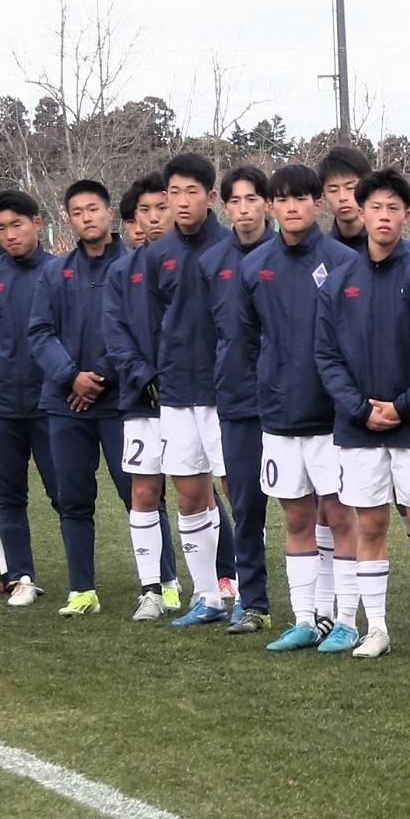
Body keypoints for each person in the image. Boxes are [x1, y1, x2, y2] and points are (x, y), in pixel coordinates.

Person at [220, 162, 362, 653]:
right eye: (282, 199)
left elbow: (354, 339)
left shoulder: (344, 261)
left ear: (316, 204)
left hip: (332, 419)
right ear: (272, 206)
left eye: (302, 198)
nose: (292, 207)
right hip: (279, 417)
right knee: (297, 520)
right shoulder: (253, 267)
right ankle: (306, 618)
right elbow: (246, 339)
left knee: (341, 519)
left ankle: (346, 619)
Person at [30, 177, 170, 616]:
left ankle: (164, 582)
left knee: (142, 494)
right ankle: (82, 589)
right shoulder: (54, 272)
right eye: (77, 211)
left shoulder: (135, 265)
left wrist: (102, 377)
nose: (87, 217)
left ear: (110, 213)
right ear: (67, 219)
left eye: (94, 208)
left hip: (121, 401)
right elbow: (39, 332)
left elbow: (134, 331)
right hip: (65, 403)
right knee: (72, 498)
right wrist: (71, 377)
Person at [314, 168, 410, 661]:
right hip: (358, 428)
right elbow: (326, 356)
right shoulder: (340, 281)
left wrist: (403, 406)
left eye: (393, 208)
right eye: (375, 208)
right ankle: (377, 628)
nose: (384, 217)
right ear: (361, 213)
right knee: (370, 526)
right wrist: (361, 410)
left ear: (407, 215)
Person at [140, 152, 239, 628]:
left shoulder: (233, 246)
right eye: (173, 193)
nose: (180, 202)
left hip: (226, 393)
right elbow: (155, 320)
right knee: (188, 494)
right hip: (178, 393)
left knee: (237, 492)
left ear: (211, 197)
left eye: (191, 192)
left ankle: (244, 589)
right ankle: (207, 596)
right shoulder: (157, 254)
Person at [0, 190, 56, 607]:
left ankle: (83, 576)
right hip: (0, 402)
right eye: (1, 228)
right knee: (8, 495)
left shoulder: (59, 273)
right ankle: (20, 575)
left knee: (66, 493)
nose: (9, 235)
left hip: (50, 402)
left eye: (17, 225)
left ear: (37, 223)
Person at [105, 175, 182, 617]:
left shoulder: (200, 261)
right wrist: (143, 375)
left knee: (206, 491)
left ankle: (224, 585)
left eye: (161, 207)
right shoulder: (122, 272)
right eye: (144, 211)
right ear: (134, 220)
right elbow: (115, 333)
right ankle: (152, 588)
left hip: (194, 396)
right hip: (142, 398)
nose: (154, 218)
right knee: (144, 490)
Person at [212, 162, 275, 634]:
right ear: (224, 205)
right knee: (246, 506)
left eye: (252, 199)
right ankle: (253, 601)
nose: (244, 209)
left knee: (312, 509)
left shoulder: (286, 254)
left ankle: (327, 605)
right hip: (236, 400)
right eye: (235, 201)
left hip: (293, 402)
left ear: (267, 204)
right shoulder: (211, 263)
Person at [319, 143, 373, 252]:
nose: (342, 197)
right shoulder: (321, 253)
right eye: (333, 190)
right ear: (324, 197)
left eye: (350, 187)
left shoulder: (392, 250)